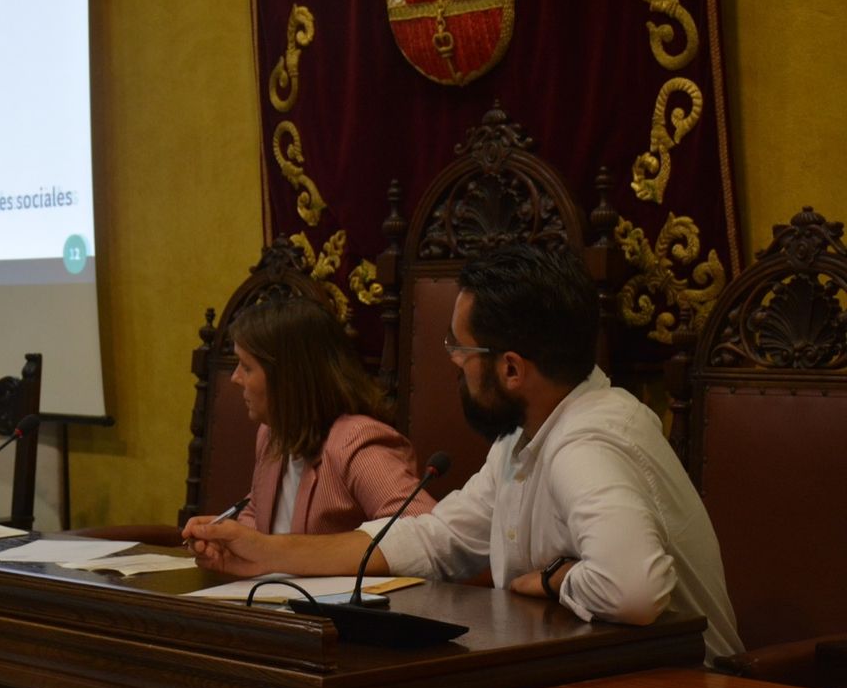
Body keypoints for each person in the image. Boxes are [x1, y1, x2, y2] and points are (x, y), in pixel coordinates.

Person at [185, 245, 742, 663]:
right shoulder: (523, 440)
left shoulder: (587, 442)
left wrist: (551, 581)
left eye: (460, 349)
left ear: (511, 368)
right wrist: (264, 553)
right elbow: (435, 538)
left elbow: (635, 589)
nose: (452, 362)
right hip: (594, 677)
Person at [227, 296, 433, 534]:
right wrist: (226, 540)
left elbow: (423, 533)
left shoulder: (356, 444)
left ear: (288, 377)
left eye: (246, 367)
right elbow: (257, 514)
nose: (235, 378)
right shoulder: (272, 433)